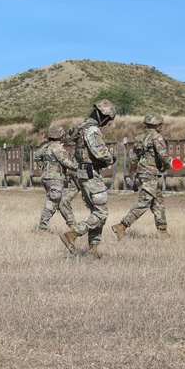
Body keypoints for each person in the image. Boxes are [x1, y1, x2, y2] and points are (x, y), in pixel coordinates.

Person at [60, 99, 117, 258]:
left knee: (96, 211)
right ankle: (72, 234)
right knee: (102, 213)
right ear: (103, 115)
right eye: (108, 120)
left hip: (81, 174)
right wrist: (111, 158)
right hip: (90, 175)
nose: (107, 123)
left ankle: (93, 249)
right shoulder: (92, 130)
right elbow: (100, 152)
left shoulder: (81, 127)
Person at [113, 114, 169, 240]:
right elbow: (163, 155)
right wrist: (166, 166)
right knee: (144, 201)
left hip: (143, 173)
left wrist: (132, 176)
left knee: (158, 202)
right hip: (151, 174)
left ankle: (163, 231)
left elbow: (134, 159)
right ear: (157, 125)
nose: (161, 127)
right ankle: (122, 226)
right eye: (161, 124)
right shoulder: (157, 137)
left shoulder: (139, 138)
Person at [33, 125, 81, 238]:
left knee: (62, 201)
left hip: (47, 178)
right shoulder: (57, 147)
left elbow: (36, 156)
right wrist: (77, 167)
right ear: (60, 137)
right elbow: (64, 161)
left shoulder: (45, 147)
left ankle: (73, 226)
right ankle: (42, 228)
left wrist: (44, 167)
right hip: (55, 179)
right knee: (52, 201)